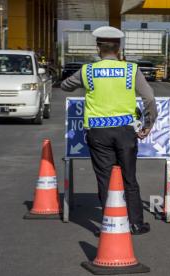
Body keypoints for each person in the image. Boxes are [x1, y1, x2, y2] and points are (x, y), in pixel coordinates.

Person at [61, 26, 158, 235]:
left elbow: (65, 86)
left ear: (98, 48)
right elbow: (149, 98)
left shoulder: (88, 71)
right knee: (129, 179)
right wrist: (148, 125)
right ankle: (136, 224)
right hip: (126, 132)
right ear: (119, 48)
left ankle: (109, 225)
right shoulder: (131, 70)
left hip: (98, 133)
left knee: (104, 178)